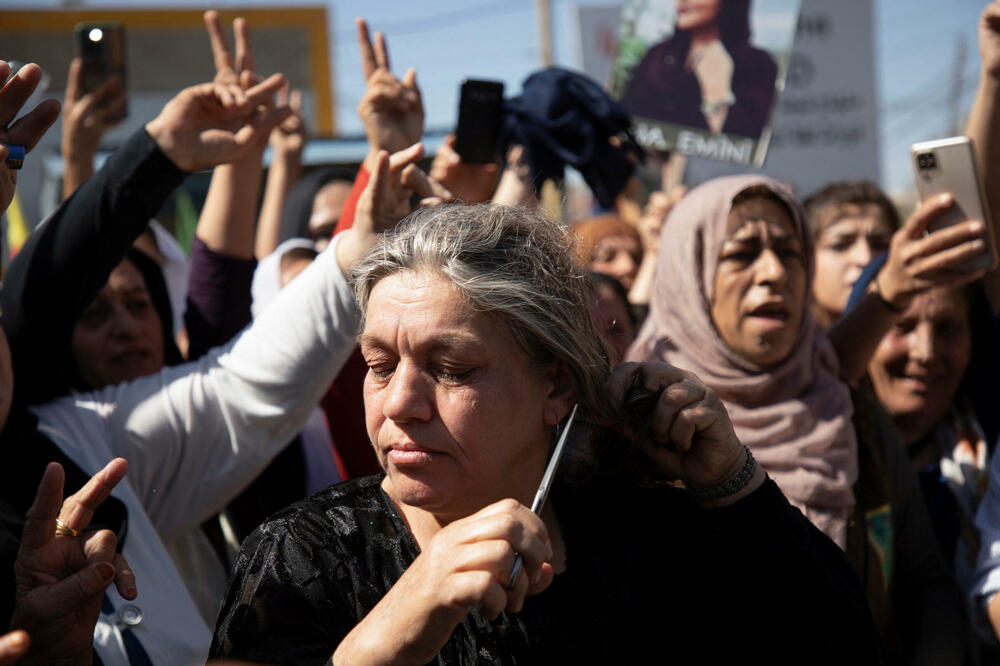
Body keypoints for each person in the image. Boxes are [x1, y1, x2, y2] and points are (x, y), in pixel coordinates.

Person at [211, 202, 882, 665]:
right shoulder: (302, 557)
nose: (402, 404)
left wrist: (736, 483)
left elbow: (843, 643)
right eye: (379, 366)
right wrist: (384, 641)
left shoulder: (641, 537)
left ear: (556, 387)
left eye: (452, 369)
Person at [627, 174, 967, 663]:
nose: (772, 273)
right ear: (690, 272)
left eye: (789, 253)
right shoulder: (643, 426)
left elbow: (923, 581)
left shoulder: (849, 410)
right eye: (742, 254)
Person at [621, 0, 776, 139]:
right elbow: (623, 120)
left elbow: (748, 148)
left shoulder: (758, 64)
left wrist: (717, 92)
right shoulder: (656, 55)